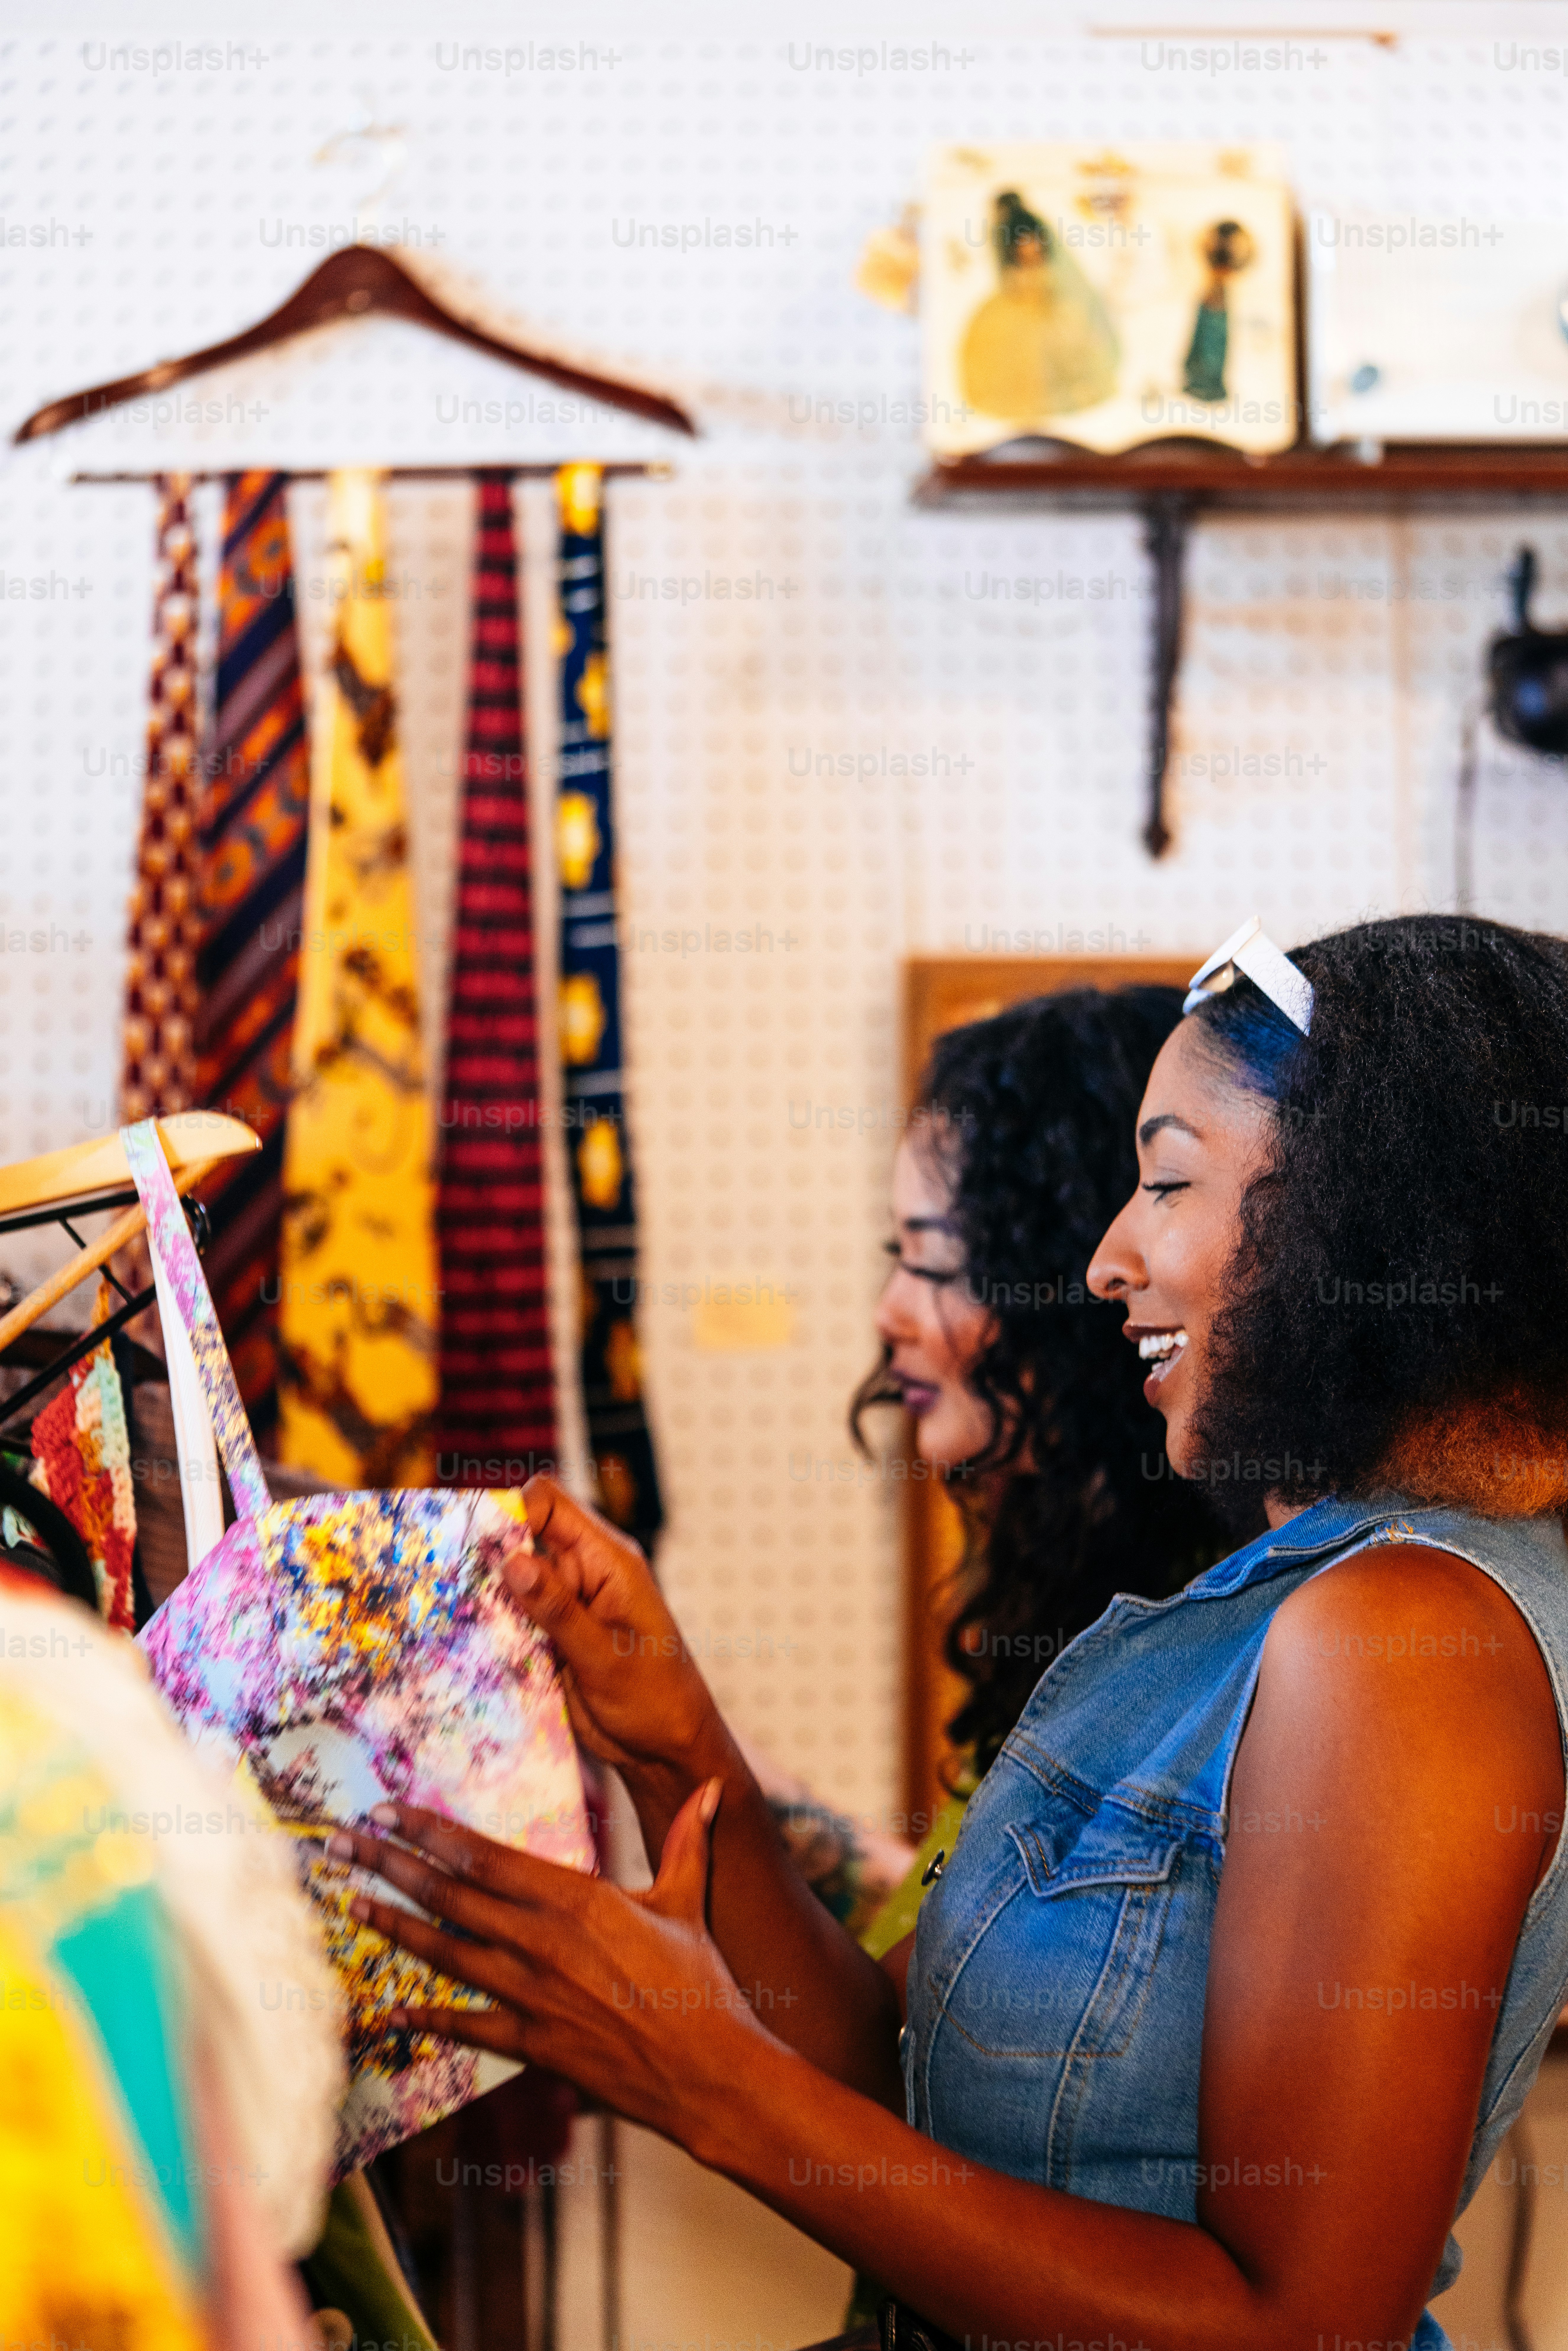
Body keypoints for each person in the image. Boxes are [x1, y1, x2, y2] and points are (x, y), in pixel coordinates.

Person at [327, 912, 1568, 2351]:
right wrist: (674, 1741)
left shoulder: (1402, 1638)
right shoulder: (1272, 1611)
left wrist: (707, 2080)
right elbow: (891, 2076)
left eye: (1168, 1181)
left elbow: (1294, 2328)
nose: (1112, 1259)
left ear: (1356, 1217)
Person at [761, 987, 1227, 1938]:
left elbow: (916, 2026)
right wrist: (752, 1799)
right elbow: (947, 1927)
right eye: (900, 1256)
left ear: (1085, 1283)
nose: (890, 1311)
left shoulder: (1171, 1661)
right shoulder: (1067, 1590)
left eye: (934, 1267)